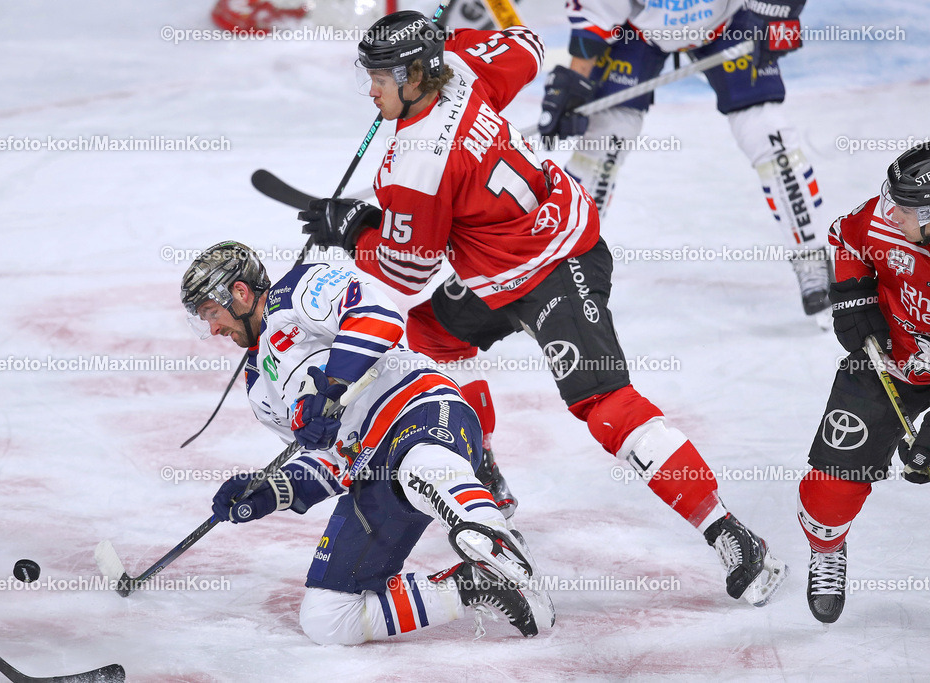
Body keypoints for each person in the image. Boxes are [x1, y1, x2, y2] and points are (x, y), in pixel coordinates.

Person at [297, 10, 786, 605]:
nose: (370, 90)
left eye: (380, 76)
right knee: (425, 345)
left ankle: (728, 531)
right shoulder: (461, 68)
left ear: (415, 74)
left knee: (606, 407)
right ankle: (483, 474)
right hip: (498, 266)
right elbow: (525, 43)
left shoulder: (416, 163)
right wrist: (453, 46)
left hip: (560, 264)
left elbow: (405, 273)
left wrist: (359, 232)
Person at [180, 241, 555, 644]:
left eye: (211, 313)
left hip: (416, 409)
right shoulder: (258, 389)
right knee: (327, 619)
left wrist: (332, 387)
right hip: (369, 467)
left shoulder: (295, 291)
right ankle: (475, 584)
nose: (214, 329)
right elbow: (331, 461)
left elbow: (377, 317)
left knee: (421, 464)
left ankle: (498, 543)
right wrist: (271, 491)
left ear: (239, 292)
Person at [537, 0, 831, 318]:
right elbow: (597, 14)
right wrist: (577, 79)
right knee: (606, 137)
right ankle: (566, 263)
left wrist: (776, 15)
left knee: (769, 135)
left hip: (727, 21)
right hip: (641, 31)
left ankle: (811, 256)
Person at [797, 144, 930, 623]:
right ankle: (828, 548)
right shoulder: (882, 222)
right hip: (888, 364)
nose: (889, 213)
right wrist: (853, 296)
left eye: (905, 209)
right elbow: (845, 237)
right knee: (830, 487)